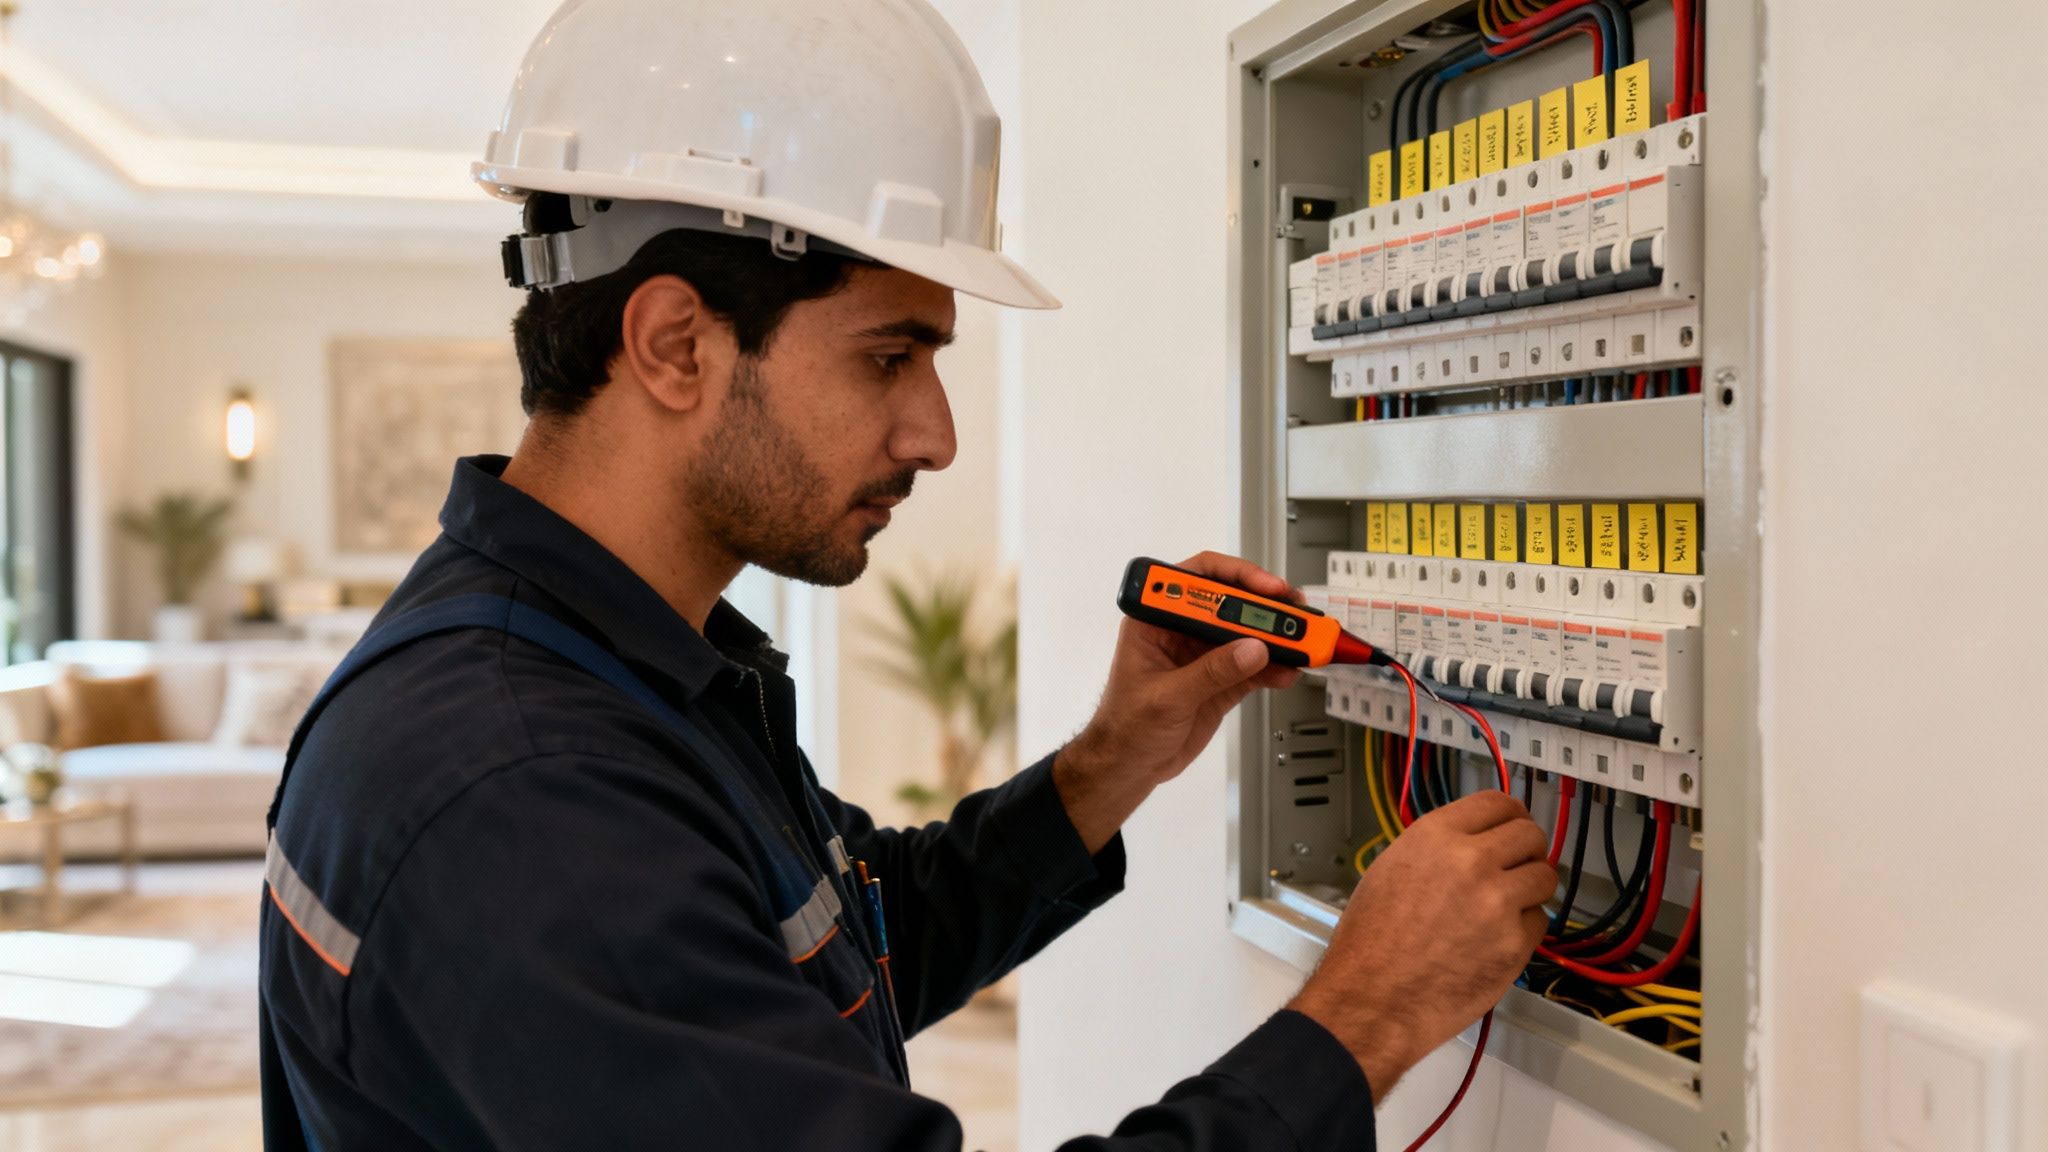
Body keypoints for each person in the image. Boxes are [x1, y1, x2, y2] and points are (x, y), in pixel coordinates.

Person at [257, 1, 1557, 1148]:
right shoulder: (527, 801)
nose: (935, 434)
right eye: (889, 356)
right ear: (672, 343)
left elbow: (846, 947)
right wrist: (1364, 1017)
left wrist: (1112, 763)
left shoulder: (609, 667)